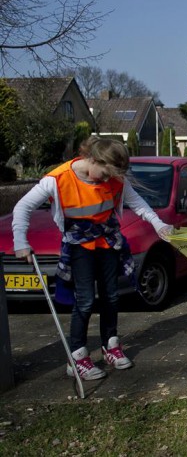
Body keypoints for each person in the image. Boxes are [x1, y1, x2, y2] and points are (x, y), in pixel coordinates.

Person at [12, 137, 173, 380]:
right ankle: (77, 357)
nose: (109, 181)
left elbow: (137, 203)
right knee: (85, 300)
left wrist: (158, 224)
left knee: (111, 296)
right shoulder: (57, 179)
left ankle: (111, 346)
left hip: (107, 240)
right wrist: (21, 241)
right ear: (93, 160)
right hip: (79, 245)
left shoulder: (114, 176)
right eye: (105, 174)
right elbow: (22, 207)